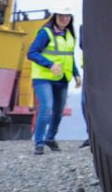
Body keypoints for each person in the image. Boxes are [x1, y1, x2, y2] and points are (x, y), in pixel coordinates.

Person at [25, 11, 80, 155]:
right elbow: (31, 53)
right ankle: (39, 142)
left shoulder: (69, 35)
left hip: (62, 78)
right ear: (55, 17)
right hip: (43, 78)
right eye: (61, 16)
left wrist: (76, 74)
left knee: (58, 111)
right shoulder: (45, 33)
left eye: (67, 16)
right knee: (46, 108)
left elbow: (69, 57)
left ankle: (50, 138)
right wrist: (49, 65)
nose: (64, 19)